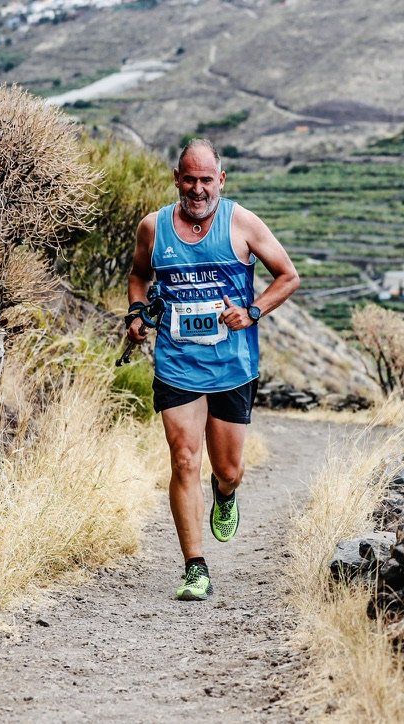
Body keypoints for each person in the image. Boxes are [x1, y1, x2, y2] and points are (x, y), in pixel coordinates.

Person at [125, 138, 300, 601]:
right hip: (176, 363)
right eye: (190, 179)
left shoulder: (241, 223)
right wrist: (137, 313)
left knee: (228, 468)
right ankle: (195, 566)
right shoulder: (154, 227)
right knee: (184, 459)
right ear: (176, 179)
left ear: (220, 180)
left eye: (207, 180)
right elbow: (139, 275)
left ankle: (225, 493)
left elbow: (288, 275)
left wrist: (253, 312)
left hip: (232, 366)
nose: (198, 189)